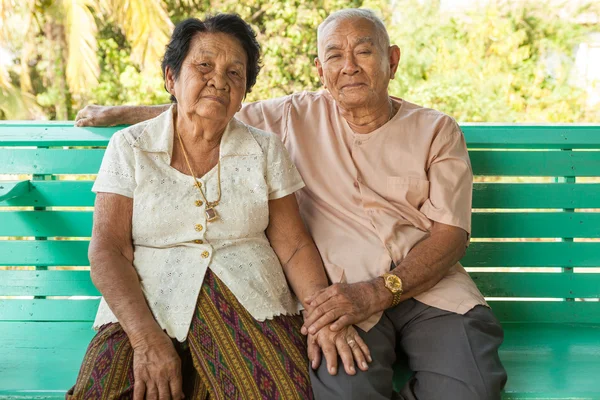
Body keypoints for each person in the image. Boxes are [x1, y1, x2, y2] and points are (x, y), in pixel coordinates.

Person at [76, 8, 508, 400]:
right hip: (342, 293)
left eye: (364, 51)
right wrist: (119, 113)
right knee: (344, 392)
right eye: (335, 55)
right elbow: (204, 102)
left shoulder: (436, 130)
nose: (349, 66)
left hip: (425, 290)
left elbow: (449, 235)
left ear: (391, 61)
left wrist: (376, 292)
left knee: (469, 390)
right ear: (320, 70)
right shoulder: (290, 115)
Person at [68, 14, 371, 400]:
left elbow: (294, 246)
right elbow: (108, 249)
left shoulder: (264, 149)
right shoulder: (131, 147)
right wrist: (145, 340)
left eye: (235, 72)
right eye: (204, 66)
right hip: (146, 306)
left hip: (249, 299)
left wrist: (322, 315)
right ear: (171, 79)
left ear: (244, 90)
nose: (219, 80)